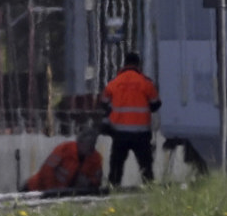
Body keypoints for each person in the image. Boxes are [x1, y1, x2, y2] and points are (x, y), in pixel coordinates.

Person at [99, 51, 162, 187]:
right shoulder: (146, 82)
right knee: (145, 166)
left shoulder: (114, 83)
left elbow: (103, 102)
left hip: (119, 132)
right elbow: (156, 104)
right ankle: (150, 190)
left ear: (125, 64)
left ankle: (113, 189)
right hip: (141, 133)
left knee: (116, 165)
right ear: (138, 65)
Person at [21, 126, 103, 194]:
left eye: (93, 143)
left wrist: (89, 183)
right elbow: (47, 170)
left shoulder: (95, 159)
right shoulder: (64, 149)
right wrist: (52, 191)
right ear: (79, 142)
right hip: (36, 189)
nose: (90, 147)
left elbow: (97, 181)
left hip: (65, 195)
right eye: (88, 143)